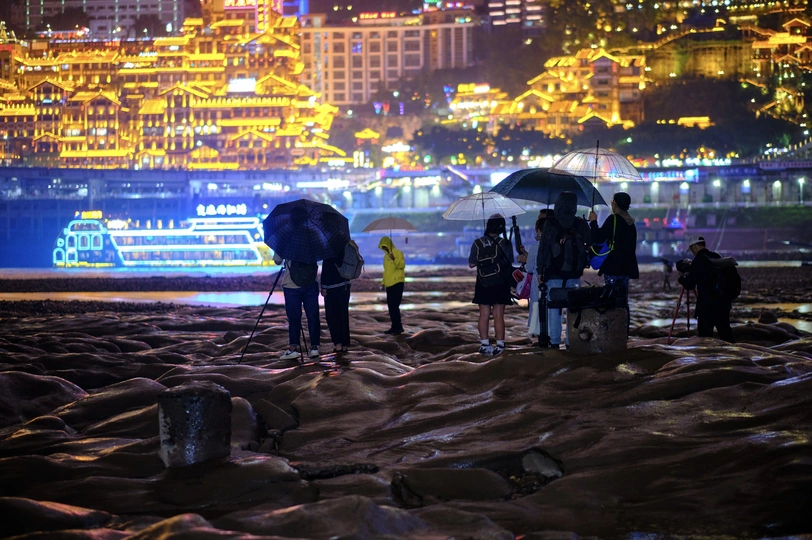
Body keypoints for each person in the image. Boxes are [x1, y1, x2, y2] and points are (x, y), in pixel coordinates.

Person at [539, 192, 591, 349]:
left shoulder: (551, 223)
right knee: (572, 307)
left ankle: (554, 341)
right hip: (574, 272)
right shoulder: (580, 223)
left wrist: (540, 270)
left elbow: (544, 249)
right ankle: (570, 341)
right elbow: (589, 243)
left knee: (554, 307)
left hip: (553, 272)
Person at [588, 191, 639, 337]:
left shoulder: (614, 219)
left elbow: (597, 238)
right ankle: (624, 331)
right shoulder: (630, 222)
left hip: (613, 266)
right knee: (623, 301)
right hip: (627, 268)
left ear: (615, 203)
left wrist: (593, 221)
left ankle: (613, 332)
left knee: (611, 299)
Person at [469, 214, 514, 355]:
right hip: (501, 282)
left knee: (484, 314)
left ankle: (485, 344)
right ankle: (500, 345)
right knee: (499, 314)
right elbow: (509, 262)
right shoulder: (504, 243)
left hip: (483, 282)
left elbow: (471, 264)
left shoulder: (477, 243)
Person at [677, 235, 735, 343]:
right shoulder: (716, 256)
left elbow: (690, 285)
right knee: (726, 333)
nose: (692, 252)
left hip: (707, 305)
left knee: (705, 338)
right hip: (723, 303)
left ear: (694, 247)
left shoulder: (699, 261)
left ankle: (707, 358)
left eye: (691, 249)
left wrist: (682, 277)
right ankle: (734, 356)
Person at [273, 253, 321, 360]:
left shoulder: (287, 240)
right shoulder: (313, 240)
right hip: (311, 284)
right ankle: (314, 348)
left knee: (294, 318)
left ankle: (293, 349)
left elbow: (277, 261)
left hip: (291, 285)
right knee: (313, 317)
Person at [524, 211, 552, 339]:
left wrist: (525, 260)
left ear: (539, 230)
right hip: (552, 280)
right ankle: (553, 334)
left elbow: (529, 268)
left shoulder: (535, 247)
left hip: (537, 281)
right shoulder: (554, 244)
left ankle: (538, 333)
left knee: (537, 306)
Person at [320, 251, 351, 354]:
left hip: (332, 289)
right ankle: (345, 344)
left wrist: (323, 287)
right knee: (343, 316)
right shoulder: (345, 249)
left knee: (332, 317)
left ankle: (338, 344)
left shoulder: (328, 251)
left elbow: (326, 270)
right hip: (345, 286)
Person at [379, 236, 406, 335]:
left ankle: (398, 327)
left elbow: (401, 265)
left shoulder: (398, 253)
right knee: (391, 307)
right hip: (389, 284)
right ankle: (394, 326)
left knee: (395, 306)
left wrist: (394, 259)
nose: (385, 249)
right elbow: (386, 271)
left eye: (386, 247)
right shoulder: (385, 257)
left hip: (397, 283)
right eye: (383, 247)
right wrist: (383, 283)